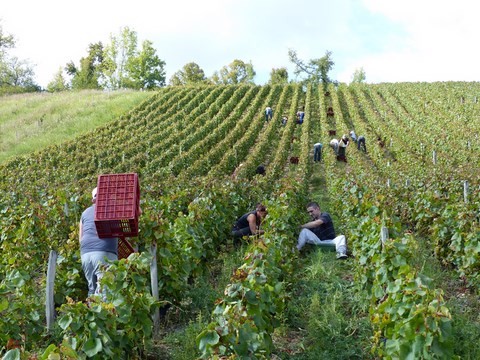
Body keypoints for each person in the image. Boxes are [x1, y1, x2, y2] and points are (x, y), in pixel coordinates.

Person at [79, 187, 118, 297]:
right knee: (105, 290)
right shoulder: (111, 209)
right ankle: (103, 314)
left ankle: (90, 312)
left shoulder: (84, 213)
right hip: (103, 252)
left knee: (92, 290)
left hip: (85, 254)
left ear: (93, 200)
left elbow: (80, 237)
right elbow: (138, 212)